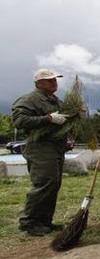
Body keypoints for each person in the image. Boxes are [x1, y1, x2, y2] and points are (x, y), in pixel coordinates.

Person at [12, 69, 69, 236]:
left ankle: (45, 221)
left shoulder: (55, 100)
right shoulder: (30, 100)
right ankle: (29, 222)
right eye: (50, 80)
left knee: (54, 184)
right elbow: (19, 120)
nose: (54, 83)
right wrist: (48, 119)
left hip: (56, 146)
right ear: (39, 83)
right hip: (40, 147)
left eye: (55, 80)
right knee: (44, 182)